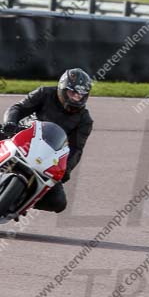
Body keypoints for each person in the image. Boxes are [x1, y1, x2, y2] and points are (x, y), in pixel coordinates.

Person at [2, 68, 93, 213]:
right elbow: (18, 108)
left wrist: (66, 169)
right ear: (62, 88)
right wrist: (10, 123)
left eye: (80, 95)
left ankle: (19, 200)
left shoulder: (84, 120)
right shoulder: (45, 93)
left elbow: (76, 149)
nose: (76, 98)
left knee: (58, 203)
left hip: (48, 157)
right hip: (21, 137)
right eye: (72, 93)